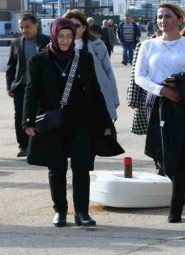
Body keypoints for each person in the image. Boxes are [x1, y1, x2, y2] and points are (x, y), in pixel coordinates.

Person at [22, 18, 114, 227]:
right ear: (54, 36)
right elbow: (31, 91)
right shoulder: (39, 60)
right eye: (61, 36)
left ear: (74, 37)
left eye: (69, 36)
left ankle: (82, 212)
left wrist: (105, 120)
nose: (65, 41)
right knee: (57, 168)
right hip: (53, 122)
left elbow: (95, 91)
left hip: (81, 122)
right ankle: (60, 211)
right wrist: (27, 120)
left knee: (81, 168)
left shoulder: (84, 58)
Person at [135, 3, 185, 223]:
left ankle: (176, 203)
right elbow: (140, 76)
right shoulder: (148, 46)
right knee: (162, 153)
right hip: (158, 103)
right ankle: (177, 182)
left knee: (179, 154)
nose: (163, 21)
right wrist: (161, 90)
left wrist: (181, 83)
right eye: (160, 17)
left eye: (168, 16)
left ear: (180, 19)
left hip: (184, 105)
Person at [6, 14, 50, 157]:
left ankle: (40, 145)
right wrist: (10, 86)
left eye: (28, 27)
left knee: (40, 115)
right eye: (22, 27)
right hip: (21, 86)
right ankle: (24, 146)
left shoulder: (46, 41)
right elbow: (11, 66)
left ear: (35, 25)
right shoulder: (16, 43)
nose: (24, 30)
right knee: (20, 116)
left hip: (40, 86)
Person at [64, 10, 120, 121]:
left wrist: (114, 98)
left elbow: (108, 71)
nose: (73, 28)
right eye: (69, 25)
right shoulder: (54, 48)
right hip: (67, 100)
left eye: (77, 25)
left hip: (94, 96)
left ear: (84, 28)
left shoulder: (97, 45)